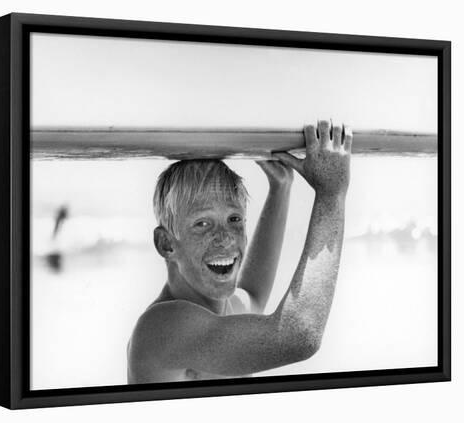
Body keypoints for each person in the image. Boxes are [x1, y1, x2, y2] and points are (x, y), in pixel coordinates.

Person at [127, 120, 352, 383]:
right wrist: (331, 193)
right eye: (202, 224)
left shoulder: (224, 308)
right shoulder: (162, 327)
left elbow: (254, 295)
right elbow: (299, 335)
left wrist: (281, 188)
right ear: (166, 244)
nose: (224, 238)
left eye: (234, 219)